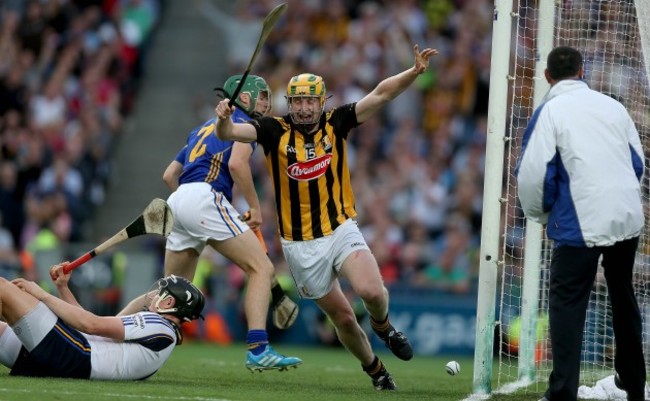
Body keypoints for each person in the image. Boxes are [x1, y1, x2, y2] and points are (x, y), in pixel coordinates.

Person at [215, 43, 439, 390]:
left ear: (322, 102)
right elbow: (229, 134)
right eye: (298, 102)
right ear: (290, 104)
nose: (304, 109)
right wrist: (223, 119)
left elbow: (380, 95)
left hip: (340, 228)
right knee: (344, 318)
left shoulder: (337, 122)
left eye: (310, 102)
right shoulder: (273, 130)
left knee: (371, 291)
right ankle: (377, 371)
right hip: (301, 246)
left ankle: (384, 328)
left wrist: (413, 72)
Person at [516, 46, 646, 401]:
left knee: (567, 303)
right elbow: (637, 163)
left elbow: (532, 176)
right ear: (582, 70)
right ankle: (635, 386)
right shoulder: (614, 107)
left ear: (547, 77)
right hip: (626, 216)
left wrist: (541, 215)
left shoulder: (549, 112)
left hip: (580, 220)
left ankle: (562, 392)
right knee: (623, 296)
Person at [161, 74, 301, 372]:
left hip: (180, 199)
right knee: (261, 268)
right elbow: (237, 164)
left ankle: (122, 333)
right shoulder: (245, 125)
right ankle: (258, 349)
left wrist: (189, 207)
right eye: (262, 95)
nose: (266, 101)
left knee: (170, 293)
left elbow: (169, 176)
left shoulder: (199, 129)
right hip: (205, 197)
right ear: (245, 98)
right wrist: (253, 206)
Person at [0, 263, 204, 380]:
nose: (153, 296)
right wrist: (63, 288)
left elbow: (91, 325)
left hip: (74, 356)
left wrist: (42, 295)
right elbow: (91, 328)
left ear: (168, 302)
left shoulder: (159, 326)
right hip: (72, 355)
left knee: (3, 288)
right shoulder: (162, 334)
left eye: (160, 293)